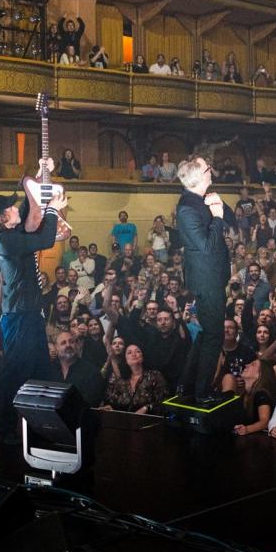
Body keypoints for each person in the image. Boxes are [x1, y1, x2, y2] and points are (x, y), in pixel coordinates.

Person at [0, 169, 67, 444]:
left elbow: (27, 206)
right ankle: (5, 427)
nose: (14, 208)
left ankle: (43, 422)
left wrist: (39, 175)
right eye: (8, 207)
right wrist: (53, 209)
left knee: (41, 369)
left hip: (29, 313)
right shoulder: (5, 239)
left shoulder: (11, 231)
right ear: (0, 218)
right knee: (15, 372)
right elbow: (43, 239)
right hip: (19, 316)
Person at [174, 156, 231, 400]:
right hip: (206, 281)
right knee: (214, 335)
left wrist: (219, 208)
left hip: (211, 277)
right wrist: (217, 217)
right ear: (198, 177)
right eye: (208, 168)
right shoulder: (188, 207)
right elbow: (206, 246)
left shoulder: (199, 200)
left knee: (207, 334)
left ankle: (189, 387)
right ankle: (201, 391)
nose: (212, 170)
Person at [101, 344, 168, 414]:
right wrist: (109, 407)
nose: (133, 354)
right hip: (123, 422)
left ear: (143, 357)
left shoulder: (155, 375)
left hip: (150, 422)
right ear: (126, 361)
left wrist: (147, 408)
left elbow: (164, 402)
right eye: (129, 353)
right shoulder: (122, 380)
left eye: (137, 351)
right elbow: (113, 403)